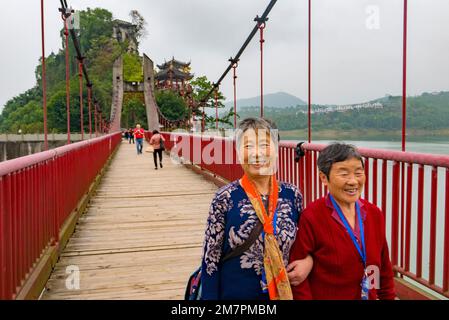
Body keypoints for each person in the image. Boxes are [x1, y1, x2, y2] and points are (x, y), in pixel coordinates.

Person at [200, 117, 312, 300]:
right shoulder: (224, 198)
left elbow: (307, 243)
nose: (257, 153)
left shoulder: (292, 194)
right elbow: (210, 260)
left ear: (277, 150)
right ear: (237, 152)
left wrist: (309, 261)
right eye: (248, 146)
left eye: (264, 145)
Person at [289, 143, 396, 300]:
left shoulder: (374, 214)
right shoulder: (311, 217)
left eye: (358, 173)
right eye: (344, 174)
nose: (353, 181)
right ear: (324, 178)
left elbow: (383, 269)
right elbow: (298, 279)